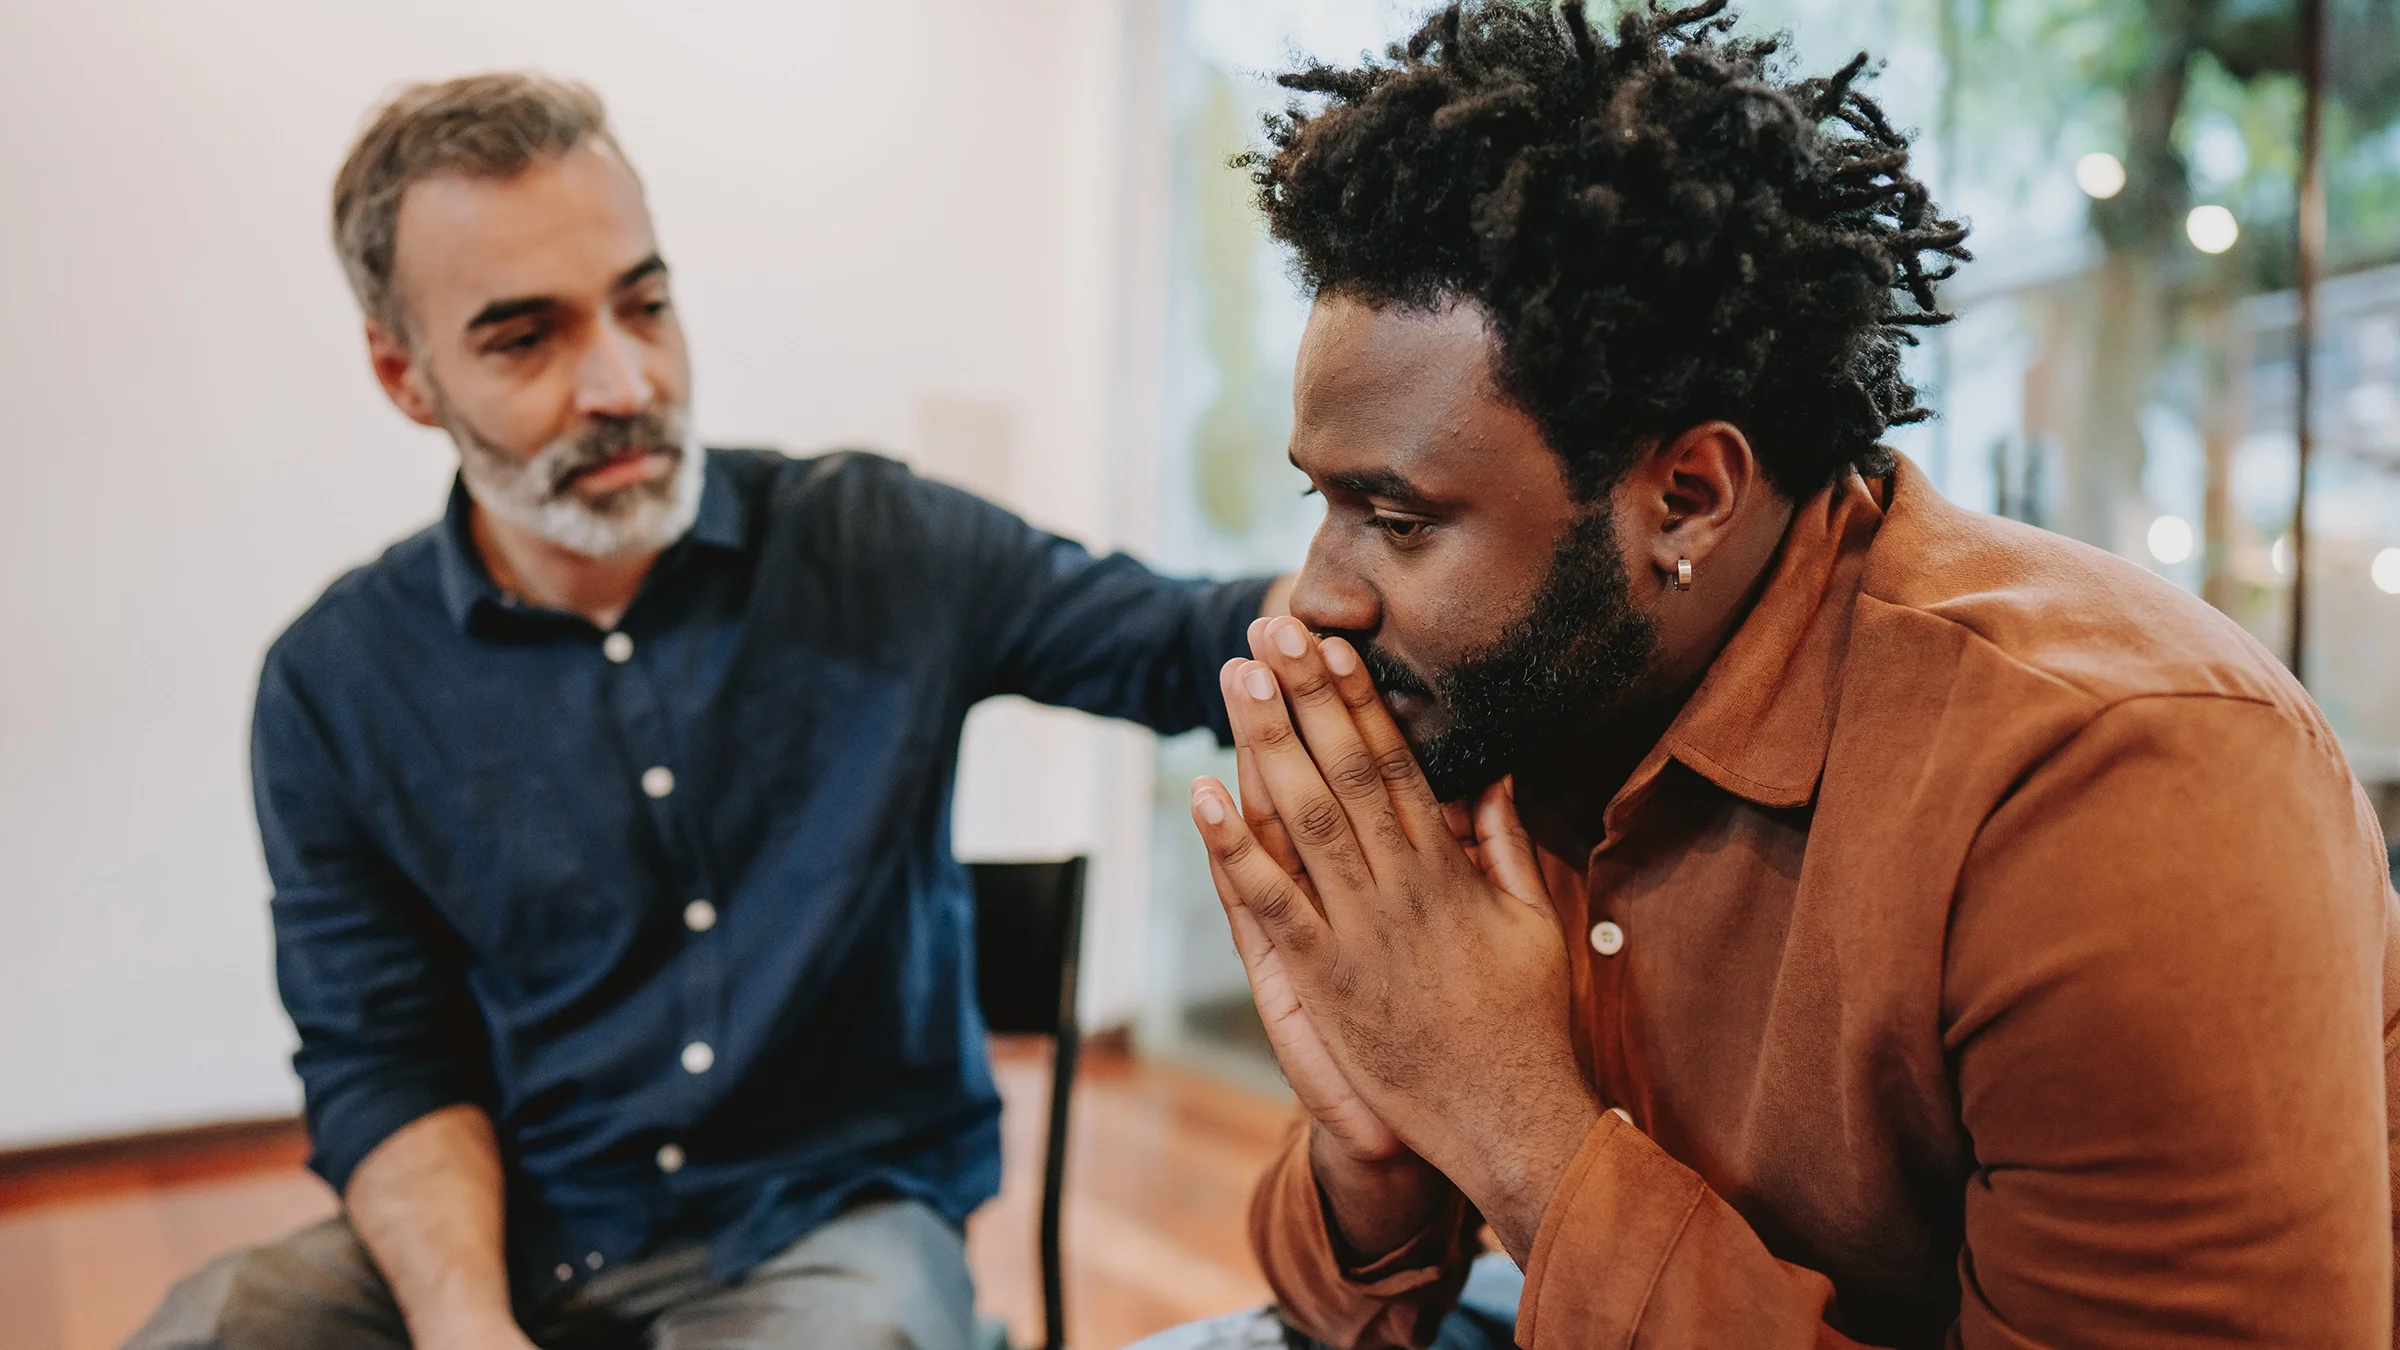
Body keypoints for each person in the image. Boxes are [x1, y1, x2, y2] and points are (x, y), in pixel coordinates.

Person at [1168, 3, 2400, 1347]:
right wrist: (1377, 1146)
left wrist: (1500, 1109)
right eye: (1323, 500)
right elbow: (1340, 1307)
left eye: (1395, 518)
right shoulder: (1518, 697)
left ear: (1687, 496)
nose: (1320, 593)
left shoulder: (2121, 775)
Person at [128, 74, 1285, 1350]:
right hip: (518, 1228)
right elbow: (382, 1059)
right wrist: (462, 1324)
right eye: (527, 338)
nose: (622, 383)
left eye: (646, 305)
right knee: (217, 1323)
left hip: (835, 1228)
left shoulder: (873, 543)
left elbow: (1192, 641)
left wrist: (1433, 553)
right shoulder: (335, 684)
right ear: (405, 374)